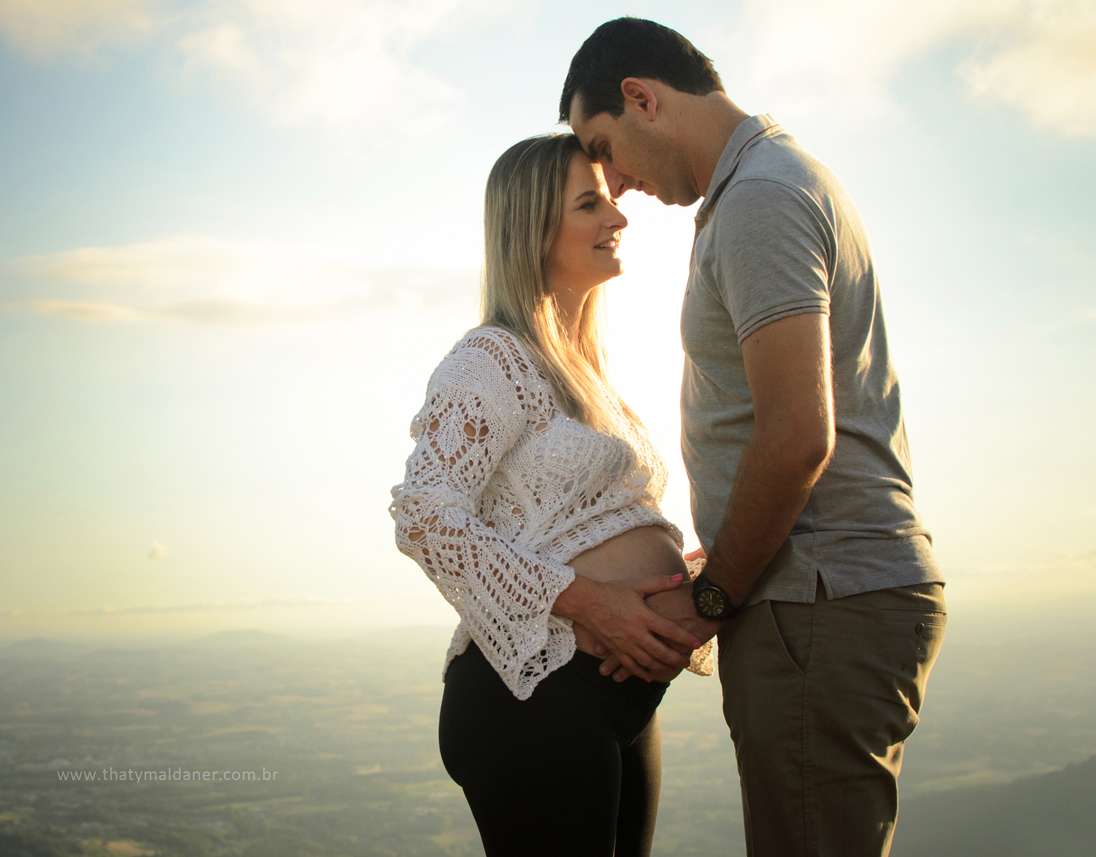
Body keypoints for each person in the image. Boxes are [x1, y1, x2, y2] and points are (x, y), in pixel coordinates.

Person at [557, 17, 948, 857]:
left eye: (604, 149)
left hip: (818, 602)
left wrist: (713, 598)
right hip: (823, 597)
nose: (614, 183)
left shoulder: (760, 199)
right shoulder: (774, 182)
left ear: (642, 98)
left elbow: (798, 434)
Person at [389, 133, 713, 857]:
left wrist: (688, 582)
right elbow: (424, 515)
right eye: (589, 203)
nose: (618, 217)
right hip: (536, 699)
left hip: (617, 698)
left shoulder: (586, 372)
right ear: (533, 227)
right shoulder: (492, 358)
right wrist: (591, 601)